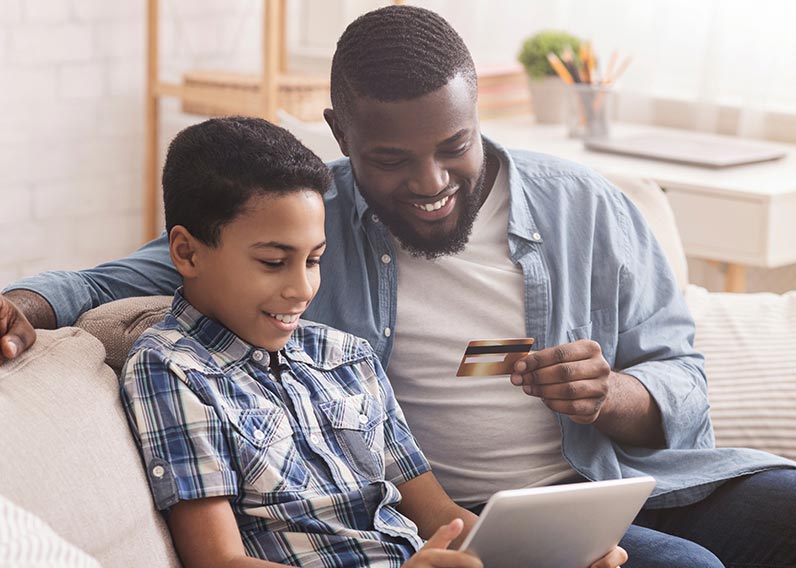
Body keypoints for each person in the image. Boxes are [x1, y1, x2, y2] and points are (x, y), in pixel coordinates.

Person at [1, 5, 796, 567]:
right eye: (392, 159)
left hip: (627, 479)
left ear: (477, 116)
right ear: (341, 136)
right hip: (466, 513)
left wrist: (619, 395)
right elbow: (127, 272)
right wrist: (28, 305)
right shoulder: (303, 222)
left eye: (453, 148)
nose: (429, 185)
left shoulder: (592, 205)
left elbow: (684, 378)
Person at [116, 116, 625, 568]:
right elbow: (218, 560)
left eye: (314, 260)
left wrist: (545, 556)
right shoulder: (172, 367)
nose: (302, 289)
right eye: (274, 262)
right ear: (185, 252)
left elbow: (439, 517)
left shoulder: (347, 356)